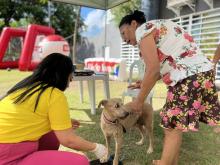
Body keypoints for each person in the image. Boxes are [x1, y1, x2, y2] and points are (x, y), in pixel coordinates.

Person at [119, 10, 220, 165]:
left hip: (188, 76)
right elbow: (161, 67)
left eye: (124, 33)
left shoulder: (142, 30)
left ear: (133, 24)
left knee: (171, 126)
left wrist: (139, 101)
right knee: (174, 126)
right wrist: (142, 83)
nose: (124, 40)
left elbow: (153, 70)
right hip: (202, 73)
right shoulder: (158, 27)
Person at [0, 53, 107, 165]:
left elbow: (23, 117)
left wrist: (63, 123)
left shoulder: (26, 87)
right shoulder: (54, 94)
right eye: (70, 80)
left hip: (8, 146)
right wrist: (96, 148)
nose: (68, 85)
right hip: (8, 155)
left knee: (52, 136)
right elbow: (68, 140)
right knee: (81, 162)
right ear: (62, 75)